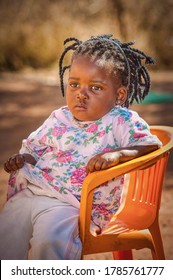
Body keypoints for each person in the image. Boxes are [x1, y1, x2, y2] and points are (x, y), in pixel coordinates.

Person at [0, 34, 162, 260]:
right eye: (74, 84)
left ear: (119, 95)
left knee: (49, 241)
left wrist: (118, 154)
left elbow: (152, 145)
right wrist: (24, 160)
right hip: (35, 191)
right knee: (6, 233)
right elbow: (36, 152)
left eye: (95, 88)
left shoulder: (119, 119)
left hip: (75, 205)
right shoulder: (59, 118)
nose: (81, 94)